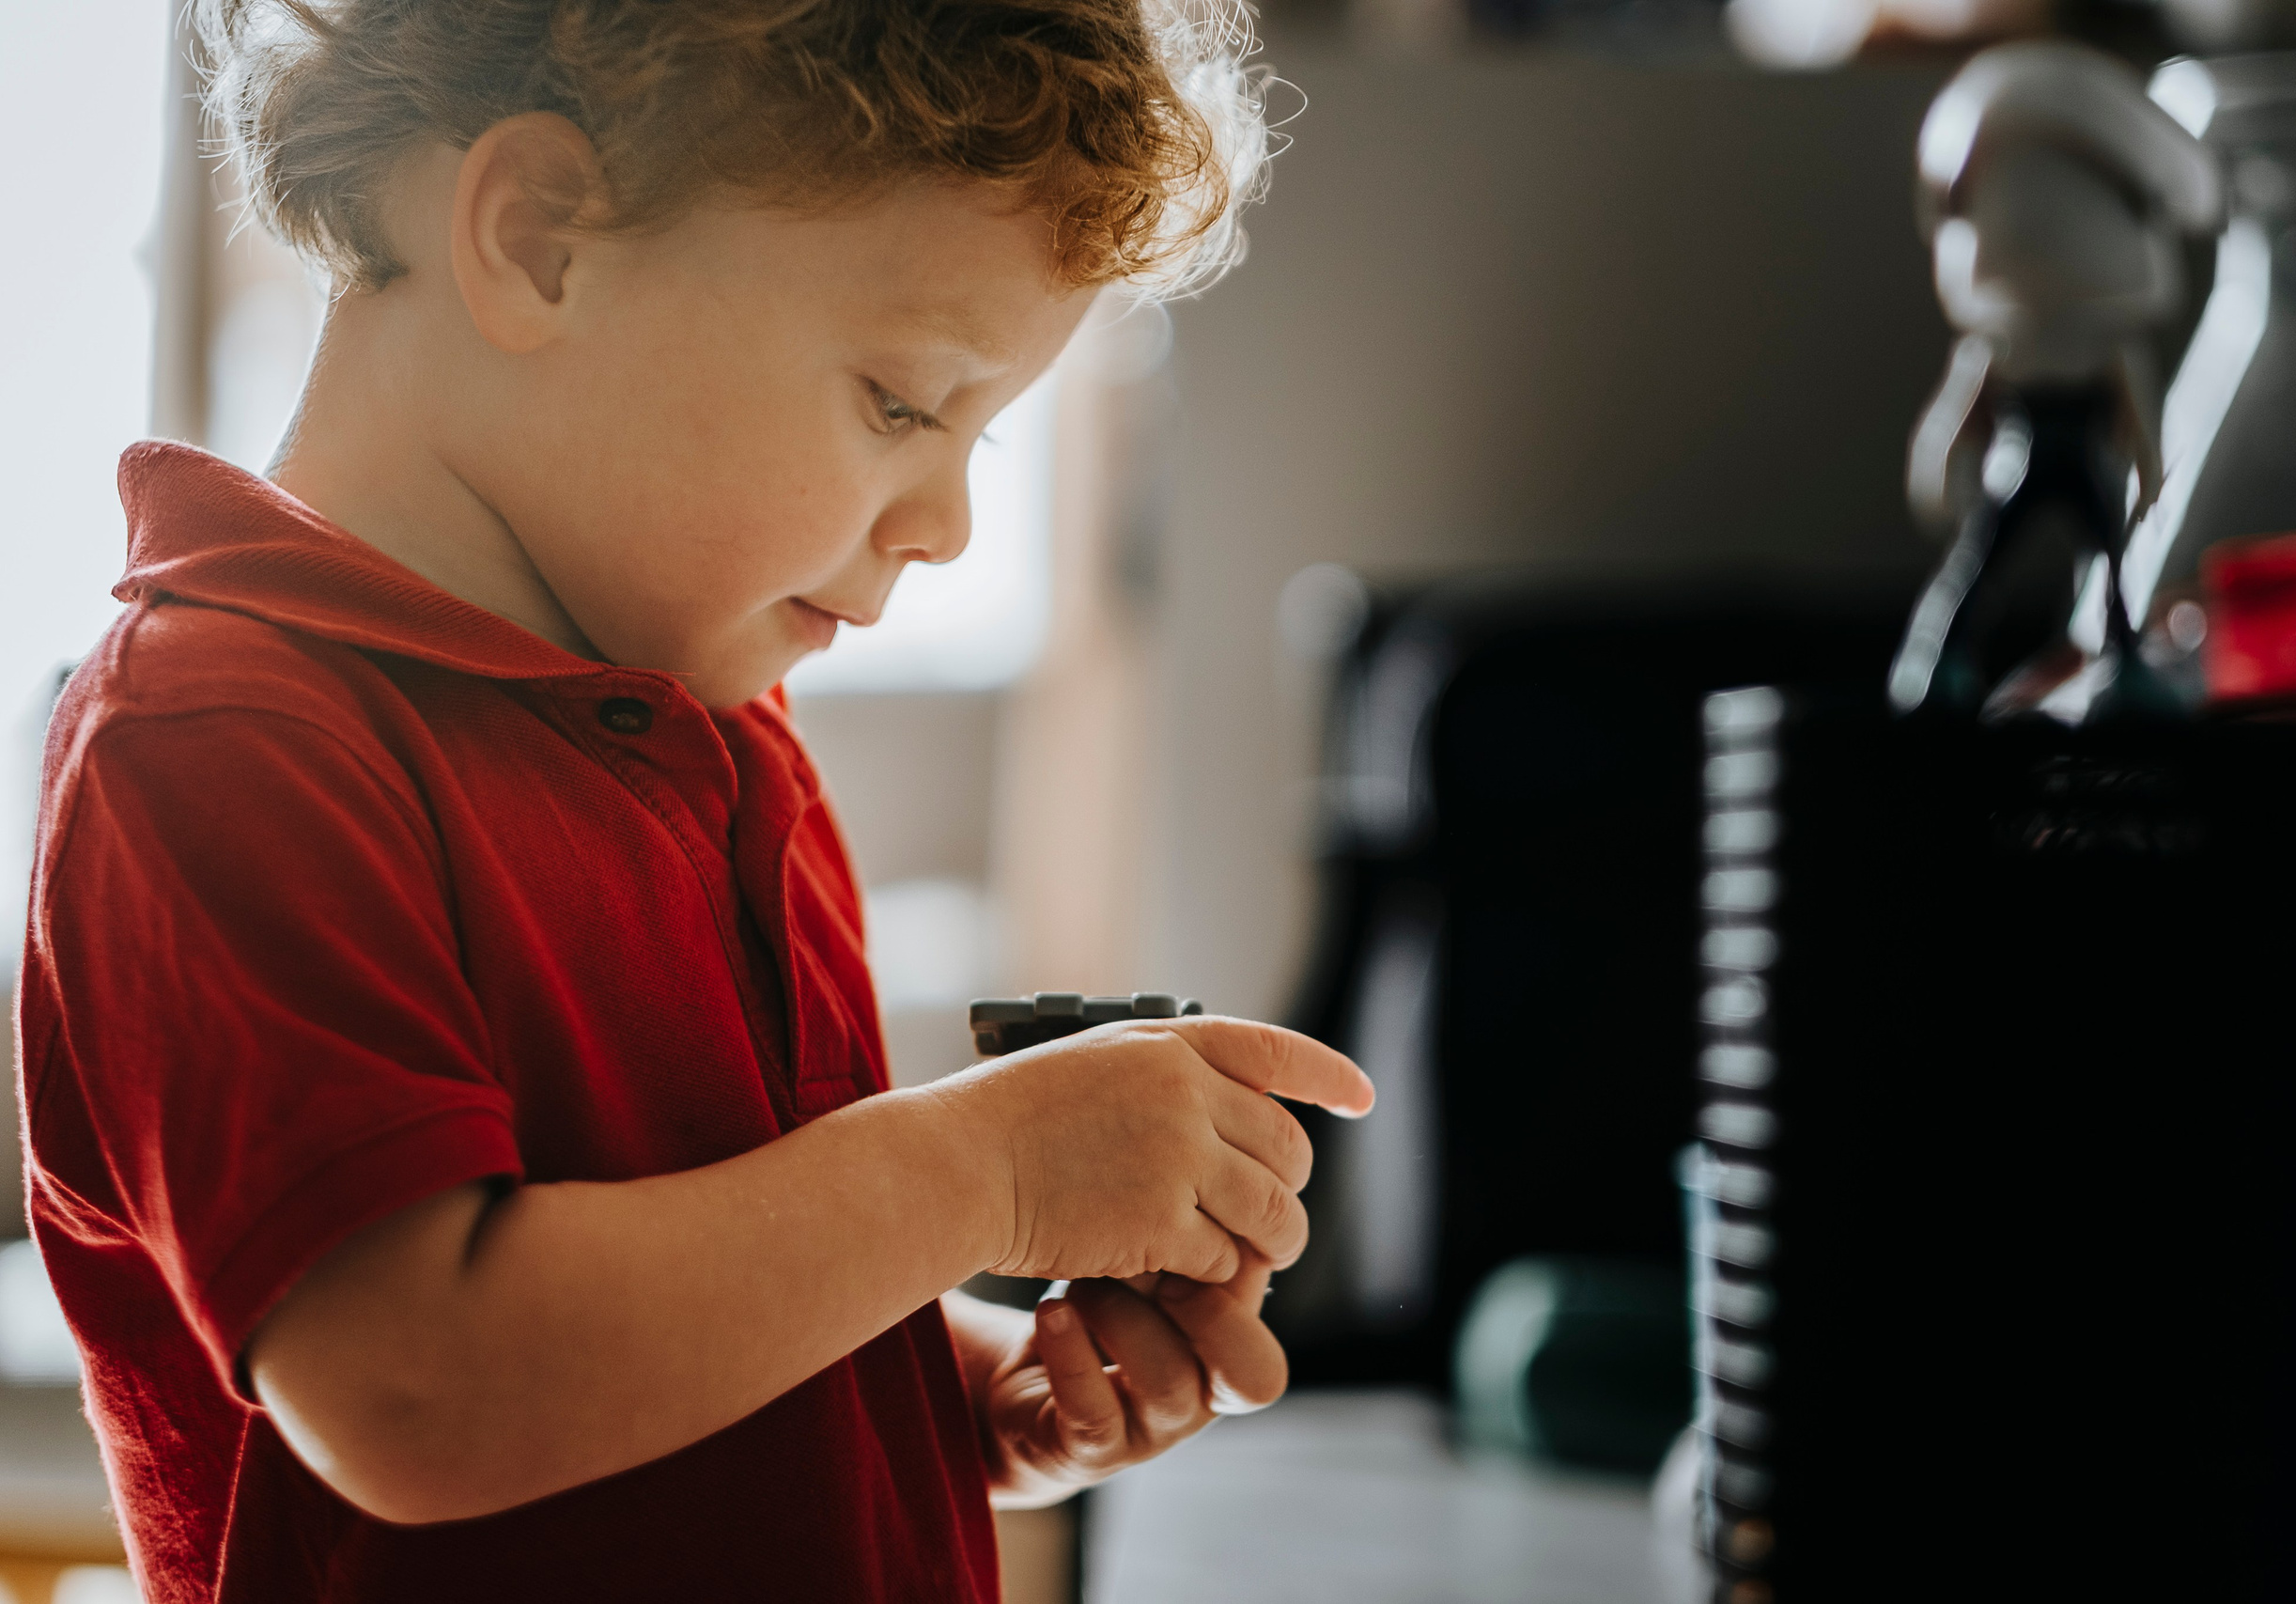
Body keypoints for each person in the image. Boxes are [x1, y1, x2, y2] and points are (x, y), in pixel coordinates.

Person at [12, 3, 1373, 1599]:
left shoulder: (719, 745)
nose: (943, 519)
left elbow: (685, 1270)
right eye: (902, 402)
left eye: (983, 434)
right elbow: (421, 1387)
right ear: (539, 242)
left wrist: (947, 1387)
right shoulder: (221, 742)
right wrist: (978, 1175)